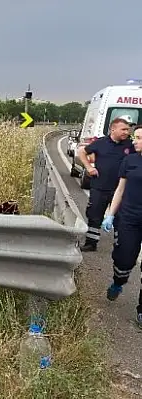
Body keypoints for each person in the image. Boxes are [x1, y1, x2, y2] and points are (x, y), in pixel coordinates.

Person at [100, 124, 142, 327]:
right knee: (124, 259)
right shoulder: (130, 160)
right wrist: (110, 215)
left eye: (139, 138)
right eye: (134, 137)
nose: (134, 141)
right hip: (129, 219)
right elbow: (120, 190)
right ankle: (118, 282)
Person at [76, 116, 133, 252]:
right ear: (113, 129)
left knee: (121, 220)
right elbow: (82, 152)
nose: (126, 132)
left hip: (120, 190)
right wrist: (89, 167)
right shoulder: (100, 143)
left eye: (128, 130)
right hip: (100, 187)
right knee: (94, 216)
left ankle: (121, 246)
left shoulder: (130, 145)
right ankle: (91, 243)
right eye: (123, 129)